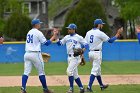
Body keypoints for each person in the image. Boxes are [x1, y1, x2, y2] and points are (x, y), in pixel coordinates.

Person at [84, 19, 123, 92]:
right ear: (98, 25)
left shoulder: (88, 32)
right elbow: (110, 41)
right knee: (95, 70)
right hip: (97, 54)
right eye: (101, 24)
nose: (102, 25)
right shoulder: (100, 33)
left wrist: (82, 51)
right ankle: (89, 87)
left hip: (90, 53)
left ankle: (102, 86)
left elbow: (85, 43)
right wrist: (117, 34)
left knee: (98, 70)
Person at [21, 19, 58, 93]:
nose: (40, 25)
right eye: (39, 23)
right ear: (36, 25)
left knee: (26, 72)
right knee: (41, 72)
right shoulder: (38, 32)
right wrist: (54, 36)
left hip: (27, 54)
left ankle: (23, 89)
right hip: (35, 54)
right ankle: (45, 89)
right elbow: (46, 43)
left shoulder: (29, 32)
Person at [56, 23, 88, 93]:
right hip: (69, 57)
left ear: (74, 30)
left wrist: (82, 50)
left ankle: (71, 89)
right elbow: (59, 44)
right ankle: (82, 88)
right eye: (68, 29)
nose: (68, 30)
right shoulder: (66, 37)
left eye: (70, 29)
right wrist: (56, 36)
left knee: (69, 71)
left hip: (76, 57)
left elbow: (86, 44)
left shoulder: (78, 37)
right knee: (75, 75)